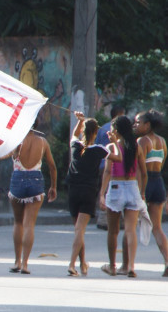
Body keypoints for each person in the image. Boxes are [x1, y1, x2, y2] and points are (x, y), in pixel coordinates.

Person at [99, 115, 147, 278]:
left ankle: (112, 266)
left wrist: (101, 193)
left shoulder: (113, 146)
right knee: (130, 230)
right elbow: (143, 172)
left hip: (116, 186)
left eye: (112, 128)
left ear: (117, 130)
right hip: (133, 186)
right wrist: (142, 192)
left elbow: (107, 171)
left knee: (113, 231)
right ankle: (130, 266)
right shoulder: (136, 146)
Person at [7, 125, 57, 274]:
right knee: (29, 225)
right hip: (36, 180)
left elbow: (6, 154)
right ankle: (25, 264)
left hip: (17, 179)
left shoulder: (16, 140)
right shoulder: (43, 142)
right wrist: (53, 186)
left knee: (18, 222)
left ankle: (16, 261)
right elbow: (52, 166)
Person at [66, 111, 109, 277]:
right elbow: (117, 157)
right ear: (96, 133)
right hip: (88, 192)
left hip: (73, 191)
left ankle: (83, 264)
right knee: (79, 230)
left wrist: (80, 121)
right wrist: (113, 141)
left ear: (84, 131)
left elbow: (74, 135)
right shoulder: (99, 150)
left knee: (78, 230)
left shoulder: (76, 146)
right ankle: (71, 264)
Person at [132, 109, 168, 276]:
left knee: (131, 225)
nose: (135, 125)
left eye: (138, 122)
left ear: (148, 125)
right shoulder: (162, 141)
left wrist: (140, 191)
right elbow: (161, 165)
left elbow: (140, 169)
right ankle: (167, 261)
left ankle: (128, 265)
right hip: (159, 182)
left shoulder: (142, 141)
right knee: (157, 228)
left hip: (146, 183)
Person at [94, 104, 126, 229]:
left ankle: (102, 219)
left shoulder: (102, 128)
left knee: (104, 189)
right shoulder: (121, 130)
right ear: (119, 114)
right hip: (118, 164)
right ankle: (119, 220)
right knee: (115, 191)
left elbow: (96, 145)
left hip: (102, 163)